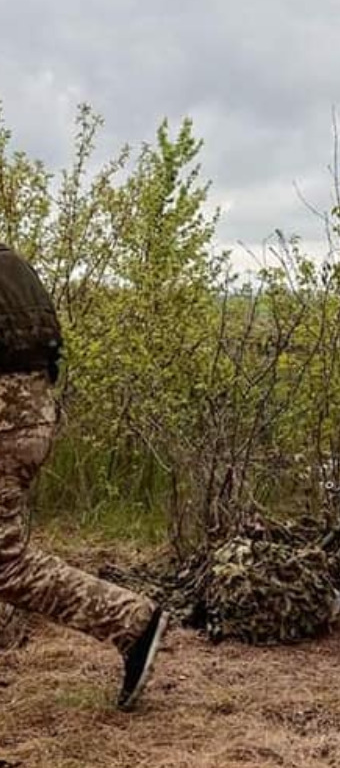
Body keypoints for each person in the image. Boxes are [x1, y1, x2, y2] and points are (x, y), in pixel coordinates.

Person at [0, 242, 167, 708]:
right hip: (31, 414)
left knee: (5, 562)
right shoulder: (11, 263)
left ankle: (130, 621)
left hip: (4, 420)